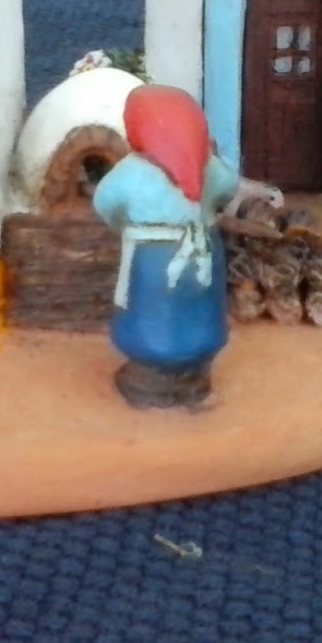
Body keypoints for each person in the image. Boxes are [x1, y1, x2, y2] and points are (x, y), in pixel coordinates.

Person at [92, 84, 240, 409]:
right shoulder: (209, 167)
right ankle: (193, 384)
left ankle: (149, 385)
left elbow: (104, 203)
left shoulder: (131, 172)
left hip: (152, 258)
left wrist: (124, 227)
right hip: (203, 252)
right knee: (200, 316)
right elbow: (229, 185)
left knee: (149, 318)